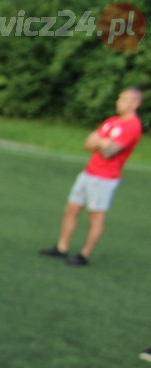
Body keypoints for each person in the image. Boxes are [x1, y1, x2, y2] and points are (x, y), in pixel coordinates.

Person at [39, 87, 143, 267]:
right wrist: (102, 143)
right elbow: (88, 143)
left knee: (95, 217)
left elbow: (110, 151)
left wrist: (101, 142)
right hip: (89, 172)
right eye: (119, 99)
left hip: (105, 178)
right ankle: (62, 247)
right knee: (71, 210)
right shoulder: (111, 121)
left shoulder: (133, 126)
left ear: (135, 103)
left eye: (124, 99)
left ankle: (84, 255)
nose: (119, 102)